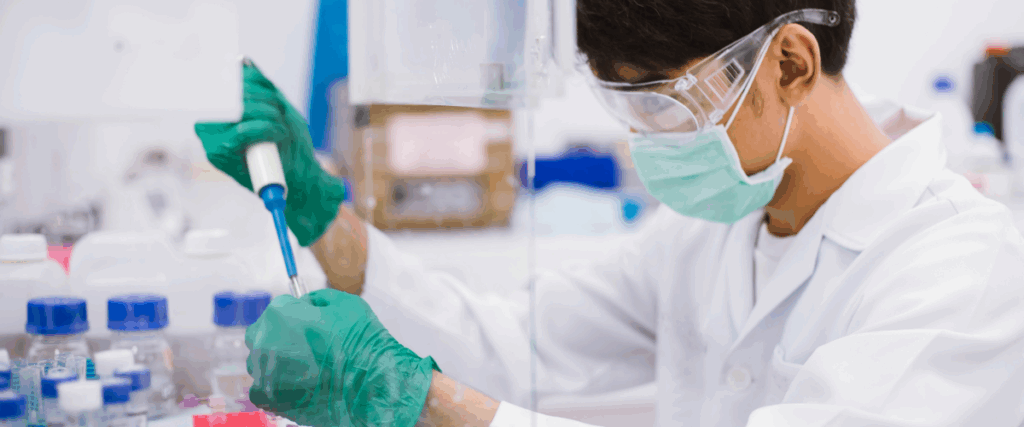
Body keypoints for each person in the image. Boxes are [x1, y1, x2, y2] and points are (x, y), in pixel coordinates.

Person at [194, 0, 1024, 425]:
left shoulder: (962, 272)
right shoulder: (710, 227)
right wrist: (319, 212)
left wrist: (420, 400)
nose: (645, 139)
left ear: (791, 64)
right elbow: (515, 346)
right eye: (623, 107)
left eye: (662, 103)